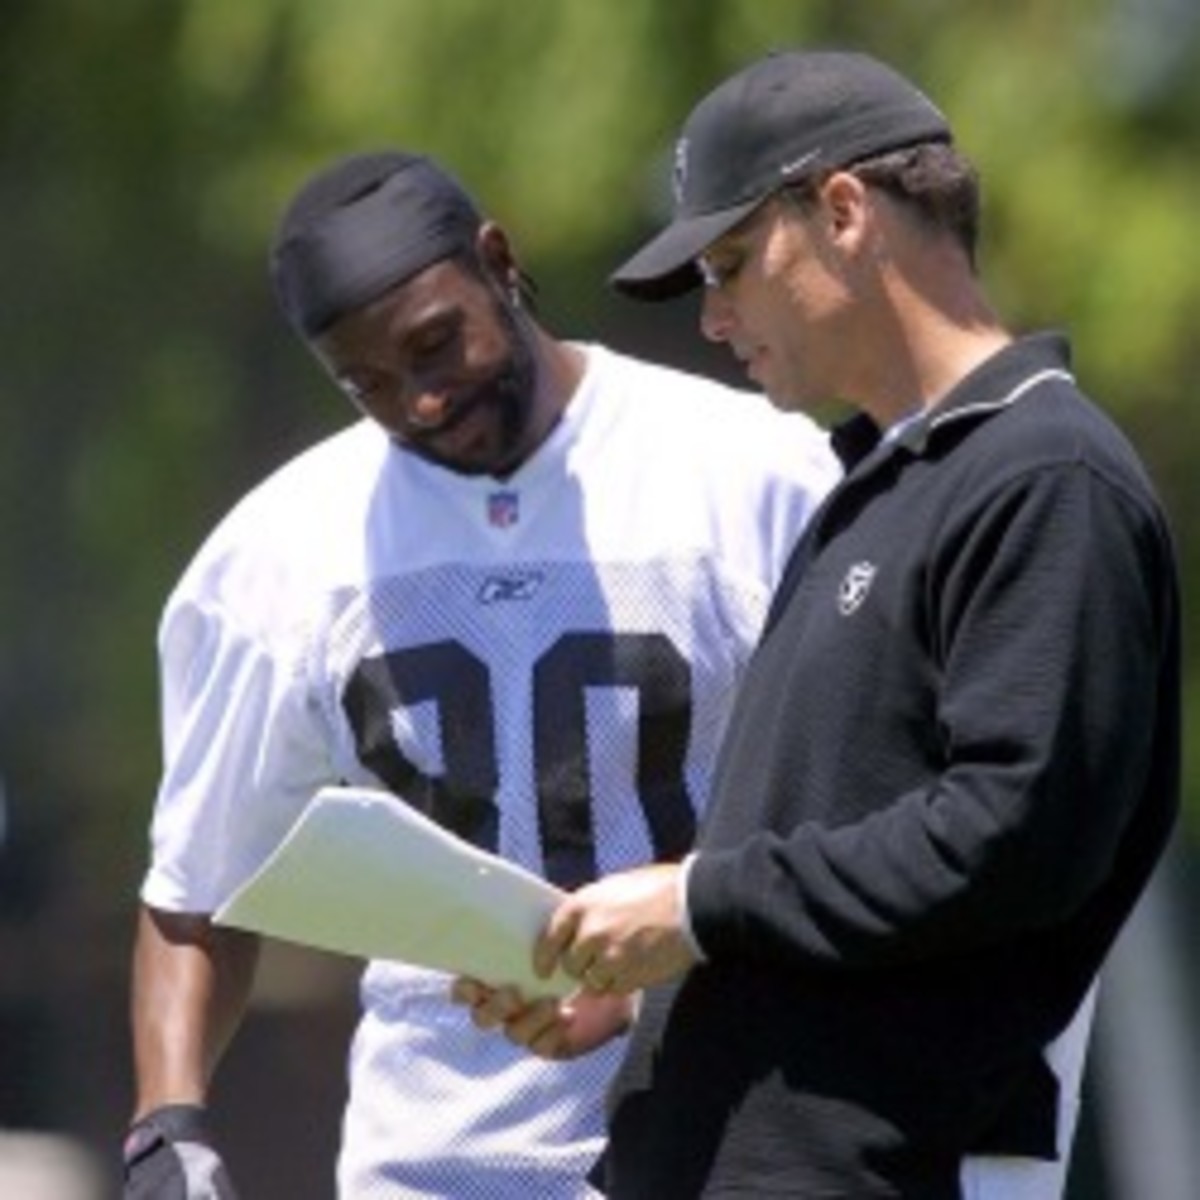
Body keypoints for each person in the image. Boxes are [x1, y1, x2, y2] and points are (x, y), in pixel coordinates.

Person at [480, 48, 1181, 1199]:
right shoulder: (875, 485)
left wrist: (696, 907)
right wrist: (653, 982)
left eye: (730, 267)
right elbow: (837, 879)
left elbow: (1010, 838)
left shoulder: (1046, 475)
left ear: (845, 211)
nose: (714, 318)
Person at [122, 149, 839, 1198]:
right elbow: (194, 890)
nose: (417, 401)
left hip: (721, 1135)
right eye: (368, 383)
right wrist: (165, 1127)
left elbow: (861, 818)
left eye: (434, 344)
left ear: (498, 263)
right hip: (436, 1161)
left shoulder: (754, 474)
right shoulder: (279, 556)